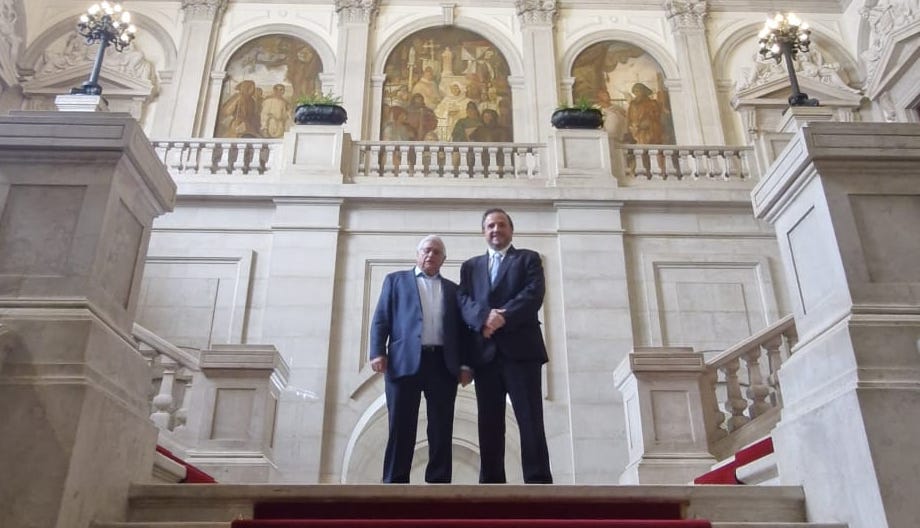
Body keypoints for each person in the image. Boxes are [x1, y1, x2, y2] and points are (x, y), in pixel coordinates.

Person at [458, 208, 553, 484]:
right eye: (490, 226)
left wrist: (501, 317)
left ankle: (537, 480)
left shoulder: (528, 259)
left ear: (511, 230)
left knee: (529, 419)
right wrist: (483, 317)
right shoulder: (470, 266)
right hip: (485, 354)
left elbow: (533, 295)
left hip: (522, 353)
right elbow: (463, 301)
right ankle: (491, 482)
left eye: (501, 225)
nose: (495, 230)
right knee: (488, 422)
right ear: (483, 232)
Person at [369, 235, 469, 483]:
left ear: (443, 260)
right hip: (403, 362)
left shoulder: (453, 290)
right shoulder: (395, 281)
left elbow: (463, 332)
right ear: (417, 254)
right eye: (426, 250)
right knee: (401, 424)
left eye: (436, 252)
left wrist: (465, 365)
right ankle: (395, 480)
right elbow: (381, 318)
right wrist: (377, 352)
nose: (430, 255)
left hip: (442, 364)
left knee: (441, 426)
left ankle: (438, 481)